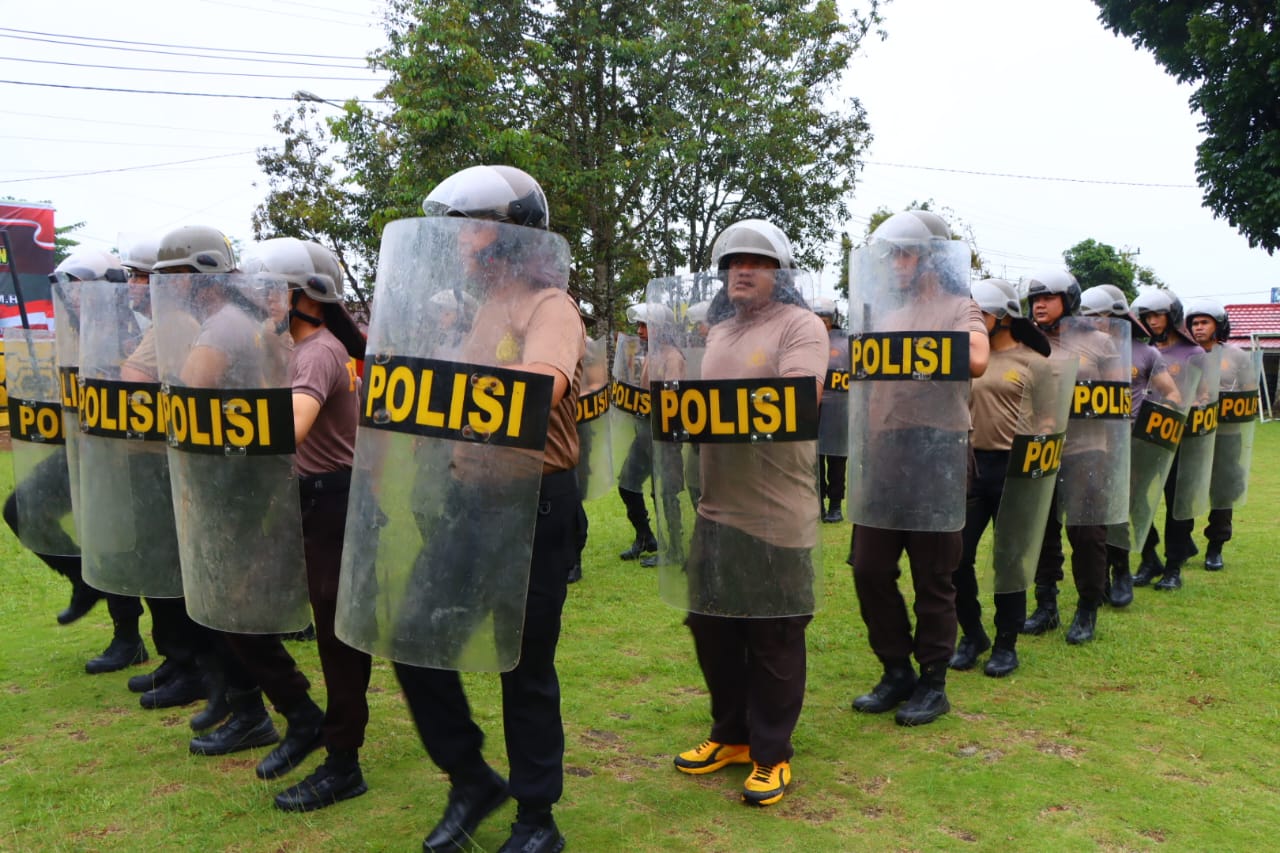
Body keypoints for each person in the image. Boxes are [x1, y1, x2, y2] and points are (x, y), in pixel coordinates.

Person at [389, 165, 584, 853]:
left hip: (534, 506)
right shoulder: (483, 309)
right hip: (468, 501)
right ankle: (472, 778)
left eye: (470, 229)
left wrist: (449, 393)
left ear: (510, 236)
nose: (459, 241)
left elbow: (544, 385)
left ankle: (537, 818)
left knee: (523, 666)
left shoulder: (550, 307)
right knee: (413, 638)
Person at [664, 219, 826, 807]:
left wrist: (712, 410)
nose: (742, 270)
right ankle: (731, 735)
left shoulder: (801, 326)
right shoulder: (719, 332)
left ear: (780, 273)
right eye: (733, 262)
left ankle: (771, 752)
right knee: (712, 627)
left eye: (756, 262)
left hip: (775, 512)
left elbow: (800, 400)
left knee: (773, 633)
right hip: (716, 509)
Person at [214, 238, 372, 812]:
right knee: (238, 606)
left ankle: (343, 762)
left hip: (331, 504)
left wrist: (218, 427)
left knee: (338, 641)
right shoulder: (299, 348)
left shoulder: (318, 353)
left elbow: (291, 428)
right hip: (302, 500)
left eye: (271, 290)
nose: (262, 301)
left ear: (305, 297)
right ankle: (302, 714)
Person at [847, 211, 989, 725]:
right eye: (892, 255)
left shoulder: (960, 307)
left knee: (934, 575)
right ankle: (896, 670)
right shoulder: (886, 315)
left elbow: (978, 357)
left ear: (931, 258)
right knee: (869, 568)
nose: (897, 263)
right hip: (885, 453)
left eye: (906, 254)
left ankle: (933, 682)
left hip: (939, 450)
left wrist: (925, 352)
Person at [3, 248, 150, 674]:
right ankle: (83, 580)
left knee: (115, 541)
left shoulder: (136, 333)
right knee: (21, 509)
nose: (75, 298)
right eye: (71, 291)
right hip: (82, 449)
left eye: (84, 289)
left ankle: (129, 638)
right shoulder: (75, 333)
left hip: (127, 456)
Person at [950, 278, 1052, 677]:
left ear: (1004, 316)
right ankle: (973, 635)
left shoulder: (1034, 362)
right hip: (970, 465)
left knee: (1010, 559)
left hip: (1015, 468)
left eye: (981, 314)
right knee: (955, 557)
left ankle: (1006, 643)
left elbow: (1049, 418)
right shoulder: (964, 357)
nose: (974, 320)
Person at [1022, 270, 1129, 645]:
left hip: (1087, 449)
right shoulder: (1027, 340)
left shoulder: (1099, 342)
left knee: (1086, 532)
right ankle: (1045, 604)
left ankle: (1087, 606)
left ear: (1068, 300)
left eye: (1048, 297)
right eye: (1035, 298)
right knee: (1040, 530)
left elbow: (1118, 401)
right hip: (1039, 448)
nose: (1039, 304)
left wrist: (1115, 453)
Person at [1078, 285, 1179, 608]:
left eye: (1099, 315)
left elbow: (1172, 395)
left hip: (1130, 444)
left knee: (1119, 508)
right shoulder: (1078, 350)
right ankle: (1102, 574)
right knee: (1093, 512)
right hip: (1087, 443)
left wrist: (1153, 427)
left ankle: (1120, 570)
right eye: (1086, 316)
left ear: (1118, 316)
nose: (1093, 321)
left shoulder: (1146, 353)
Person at [1130, 289, 1209, 591]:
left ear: (1172, 316)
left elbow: (1205, 395)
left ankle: (1174, 566)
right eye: (1147, 316)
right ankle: (1149, 556)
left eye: (1157, 315)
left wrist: (1186, 406)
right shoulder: (1145, 350)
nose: (1152, 321)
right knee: (1133, 497)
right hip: (1146, 437)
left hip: (1181, 438)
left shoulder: (1194, 353)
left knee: (1177, 503)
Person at [614, 304, 685, 567]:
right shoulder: (652, 354)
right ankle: (645, 537)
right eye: (640, 325)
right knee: (627, 484)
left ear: (660, 328)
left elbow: (671, 399)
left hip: (664, 436)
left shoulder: (672, 357)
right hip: (644, 433)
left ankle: (674, 549)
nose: (640, 331)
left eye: (645, 326)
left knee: (665, 493)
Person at [1186, 298, 1252, 572]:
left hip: (1227, 436)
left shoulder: (1237, 356)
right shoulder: (1185, 354)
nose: (1198, 328)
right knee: (1185, 489)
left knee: (1223, 491)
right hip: (1191, 435)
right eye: (1194, 323)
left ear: (1219, 325)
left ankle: (1216, 545)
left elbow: (1249, 395)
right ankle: (1182, 541)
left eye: (1205, 322)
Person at [814, 297, 849, 523]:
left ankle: (835, 504)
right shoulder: (806, 342)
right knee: (814, 459)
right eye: (817, 319)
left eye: (824, 319)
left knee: (837, 459)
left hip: (838, 409)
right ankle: (818, 503)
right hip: (813, 408)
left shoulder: (845, 344)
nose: (821, 323)